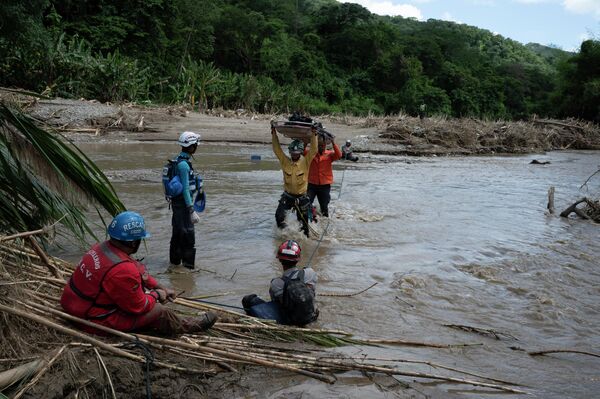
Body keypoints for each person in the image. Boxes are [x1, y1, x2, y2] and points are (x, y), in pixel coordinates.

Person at [60, 211, 218, 335]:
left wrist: (161, 286)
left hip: (73, 306)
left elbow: (136, 269)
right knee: (158, 310)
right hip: (90, 320)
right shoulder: (123, 270)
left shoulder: (101, 248)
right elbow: (139, 307)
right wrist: (157, 295)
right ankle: (190, 326)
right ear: (133, 242)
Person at [242, 240, 318, 326]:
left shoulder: (275, 283)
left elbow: (275, 303)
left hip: (289, 321)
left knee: (248, 299)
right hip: (310, 316)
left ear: (280, 260)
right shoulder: (310, 273)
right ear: (298, 259)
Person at [272, 125, 318, 237]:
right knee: (278, 216)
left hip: (301, 197)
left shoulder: (306, 162)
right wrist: (274, 134)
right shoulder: (285, 161)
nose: (294, 155)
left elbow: (314, 149)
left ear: (301, 153)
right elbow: (277, 149)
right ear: (290, 152)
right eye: (292, 153)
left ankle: (305, 239)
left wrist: (314, 134)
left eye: (297, 153)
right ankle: (286, 234)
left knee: (304, 224)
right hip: (287, 196)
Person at [170, 131, 202, 269]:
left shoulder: (178, 160)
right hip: (183, 205)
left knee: (177, 234)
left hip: (177, 204)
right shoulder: (183, 165)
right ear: (191, 147)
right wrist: (191, 210)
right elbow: (185, 189)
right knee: (188, 235)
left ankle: (175, 265)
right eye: (195, 145)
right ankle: (188, 269)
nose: (196, 147)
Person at [305, 136, 342, 220]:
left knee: (324, 206)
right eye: (318, 145)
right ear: (316, 146)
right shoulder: (311, 154)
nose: (320, 147)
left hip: (324, 185)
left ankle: (324, 221)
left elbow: (339, 155)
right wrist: (305, 142)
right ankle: (311, 218)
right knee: (307, 203)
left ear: (325, 146)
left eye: (322, 145)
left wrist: (333, 143)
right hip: (312, 184)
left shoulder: (329, 154)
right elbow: (302, 152)